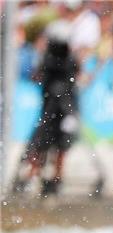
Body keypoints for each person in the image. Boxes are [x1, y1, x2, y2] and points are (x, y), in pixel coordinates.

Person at [11, 21, 81, 197]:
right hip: (52, 109)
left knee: (60, 146)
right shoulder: (51, 60)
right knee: (41, 143)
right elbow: (38, 76)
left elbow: (41, 76)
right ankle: (33, 175)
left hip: (65, 109)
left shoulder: (67, 60)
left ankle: (55, 178)